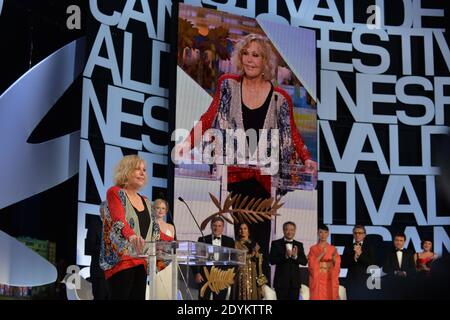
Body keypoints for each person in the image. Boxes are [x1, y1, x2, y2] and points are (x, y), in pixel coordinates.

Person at [177, 33, 317, 283]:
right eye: (246, 53)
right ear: (240, 57)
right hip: (235, 177)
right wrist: (188, 141)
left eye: (257, 55)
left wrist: (306, 158)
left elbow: (291, 132)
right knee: (240, 239)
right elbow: (210, 116)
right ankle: (240, 294)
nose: (250, 60)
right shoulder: (228, 85)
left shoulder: (280, 98)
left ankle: (260, 294)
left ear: (266, 62)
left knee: (260, 245)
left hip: (265, 181)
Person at [99, 155, 160, 300]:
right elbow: (119, 221)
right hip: (121, 262)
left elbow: (156, 232)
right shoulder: (115, 192)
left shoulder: (146, 201)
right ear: (126, 171)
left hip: (141, 262)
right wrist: (131, 236)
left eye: (144, 170)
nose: (142, 173)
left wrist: (178, 242)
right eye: (137, 169)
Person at [194, 216, 235, 300]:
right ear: (211, 226)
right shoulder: (202, 239)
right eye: (214, 225)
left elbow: (233, 260)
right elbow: (196, 258)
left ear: (223, 227)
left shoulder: (230, 241)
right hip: (205, 276)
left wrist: (231, 275)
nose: (217, 228)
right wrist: (197, 273)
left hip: (222, 277)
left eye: (219, 226)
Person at [269, 221, 307, 300]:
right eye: (287, 229)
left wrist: (295, 256)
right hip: (280, 283)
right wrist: (285, 256)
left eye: (292, 230)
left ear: (295, 231)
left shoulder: (299, 244)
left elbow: (304, 261)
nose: (289, 232)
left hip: (295, 283)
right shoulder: (276, 243)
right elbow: (271, 260)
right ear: (283, 230)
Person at [341, 225, 376, 300]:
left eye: (360, 233)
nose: (357, 235)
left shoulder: (370, 246)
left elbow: (372, 264)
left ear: (364, 235)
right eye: (355, 233)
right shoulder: (348, 246)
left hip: (365, 281)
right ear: (353, 234)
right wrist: (354, 258)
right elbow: (343, 263)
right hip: (351, 281)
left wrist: (360, 255)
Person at [234, 222, 268, 300]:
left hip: (253, 272)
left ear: (248, 231)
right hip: (241, 272)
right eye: (240, 229)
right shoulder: (236, 244)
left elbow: (260, 259)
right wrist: (252, 254)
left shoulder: (253, 243)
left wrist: (257, 254)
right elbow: (237, 258)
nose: (242, 231)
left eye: (245, 228)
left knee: (253, 293)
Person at [308, 224, 340, 300]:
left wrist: (335, 260)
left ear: (328, 234)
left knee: (330, 295)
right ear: (318, 233)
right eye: (320, 232)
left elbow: (337, 264)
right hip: (317, 278)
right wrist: (322, 254)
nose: (323, 235)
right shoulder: (313, 248)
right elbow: (311, 264)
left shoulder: (333, 249)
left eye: (325, 232)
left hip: (329, 277)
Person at [382, 232, 416, 299]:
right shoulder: (388, 252)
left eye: (401, 240)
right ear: (394, 241)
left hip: (406, 284)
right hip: (391, 284)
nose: (398, 242)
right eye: (396, 240)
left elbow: (413, 269)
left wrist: (404, 273)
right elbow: (385, 268)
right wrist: (396, 272)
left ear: (404, 242)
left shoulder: (410, 253)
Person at [85, 215, 109, 300]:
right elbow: (89, 247)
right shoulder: (94, 225)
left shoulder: (115, 226)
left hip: (113, 274)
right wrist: (107, 247)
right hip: (99, 273)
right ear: (102, 212)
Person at [153, 198, 176, 271]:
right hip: (154, 260)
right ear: (153, 209)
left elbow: (172, 245)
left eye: (163, 208)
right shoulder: (151, 225)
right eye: (158, 208)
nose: (161, 210)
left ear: (166, 211)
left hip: (168, 260)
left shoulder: (171, 227)